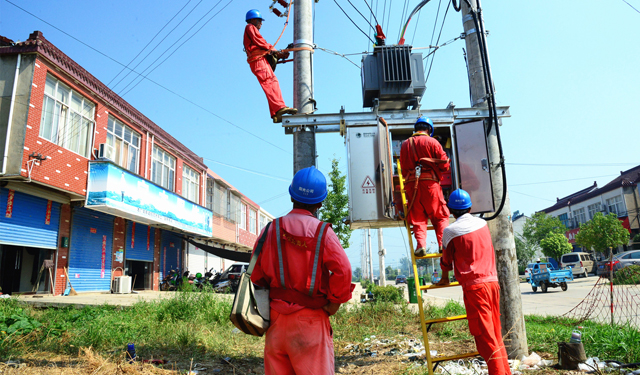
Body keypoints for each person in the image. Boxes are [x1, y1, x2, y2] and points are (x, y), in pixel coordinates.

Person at [250, 166, 354, 375]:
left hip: (276, 322)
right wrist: (333, 304)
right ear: (320, 202)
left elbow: (256, 275)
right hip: (311, 321)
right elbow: (343, 270)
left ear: (291, 196)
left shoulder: (270, 229)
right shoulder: (323, 232)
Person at [435, 189, 510, 375]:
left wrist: (444, 280)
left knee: (486, 337)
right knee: (495, 332)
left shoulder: (450, 231)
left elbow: (446, 262)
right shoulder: (483, 224)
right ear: (469, 207)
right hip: (493, 283)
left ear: (451, 210)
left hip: (475, 288)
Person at [399, 116, 451, 257]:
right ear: (429, 129)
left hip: (411, 185)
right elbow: (445, 165)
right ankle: (442, 244)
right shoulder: (432, 142)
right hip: (430, 185)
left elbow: (403, 168)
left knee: (417, 218)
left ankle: (421, 245)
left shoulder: (405, 144)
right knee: (440, 216)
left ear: (416, 129)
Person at [244, 9, 297, 123]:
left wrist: (279, 53)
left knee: (270, 83)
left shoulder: (250, 30)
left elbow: (263, 47)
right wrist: (274, 50)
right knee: (270, 82)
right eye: (259, 21)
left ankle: (276, 113)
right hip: (258, 60)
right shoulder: (250, 27)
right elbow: (261, 42)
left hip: (260, 60)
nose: (261, 24)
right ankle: (279, 108)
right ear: (253, 20)